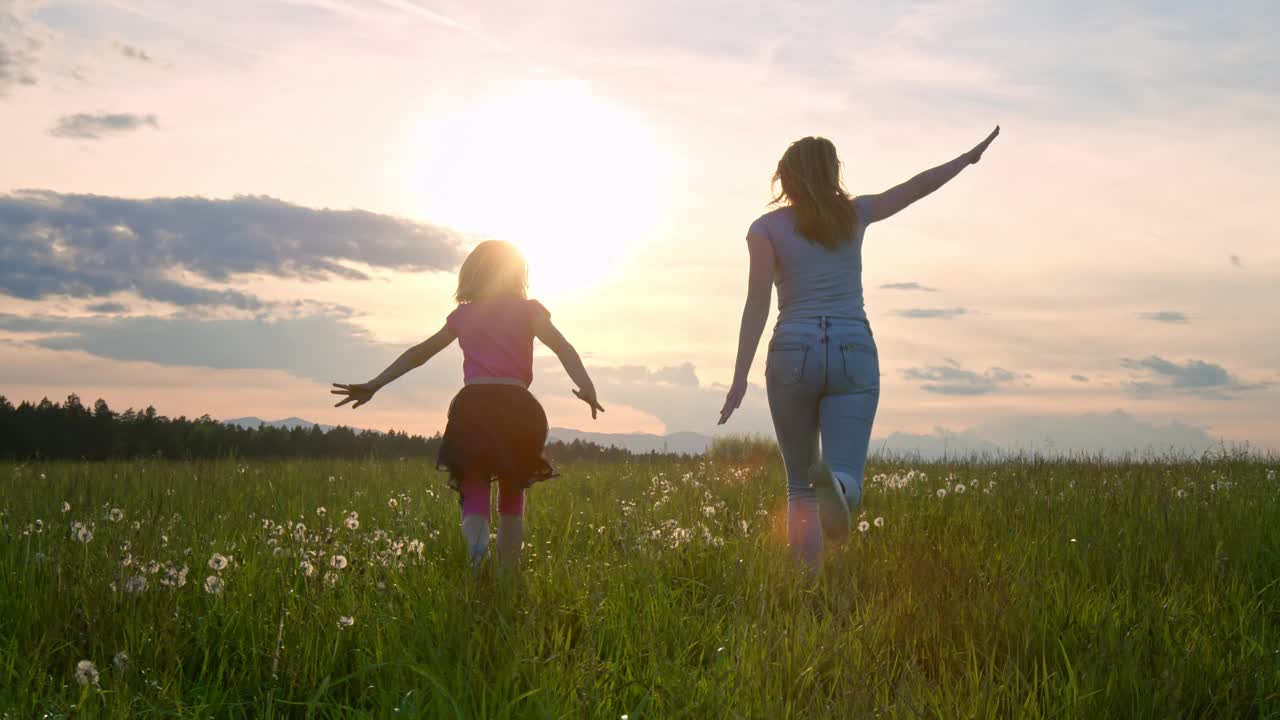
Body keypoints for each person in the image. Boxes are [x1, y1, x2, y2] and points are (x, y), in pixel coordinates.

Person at [719, 127, 1000, 571]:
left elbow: (757, 304)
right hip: (853, 347)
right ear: (833, 173)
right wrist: (966, 158)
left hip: (793, 349)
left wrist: (739, 377)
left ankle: (808, 588)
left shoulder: (765, 229)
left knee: (798, 488)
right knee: (845, 473)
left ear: (785, 179)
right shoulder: (855, 214)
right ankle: (842, 489)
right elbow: (914, 188)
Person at [332, 240, 605, 570]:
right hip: (517, 408)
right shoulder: (529, 311)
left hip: (473, 408)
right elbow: (564, 348)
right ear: (517, 274)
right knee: (512, 488)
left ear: (472, 274)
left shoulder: (465, 315)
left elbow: (419, 353)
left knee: (474, 484)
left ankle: (479, 569)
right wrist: (586, 385)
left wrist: (376, 383)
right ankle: (507, 575)